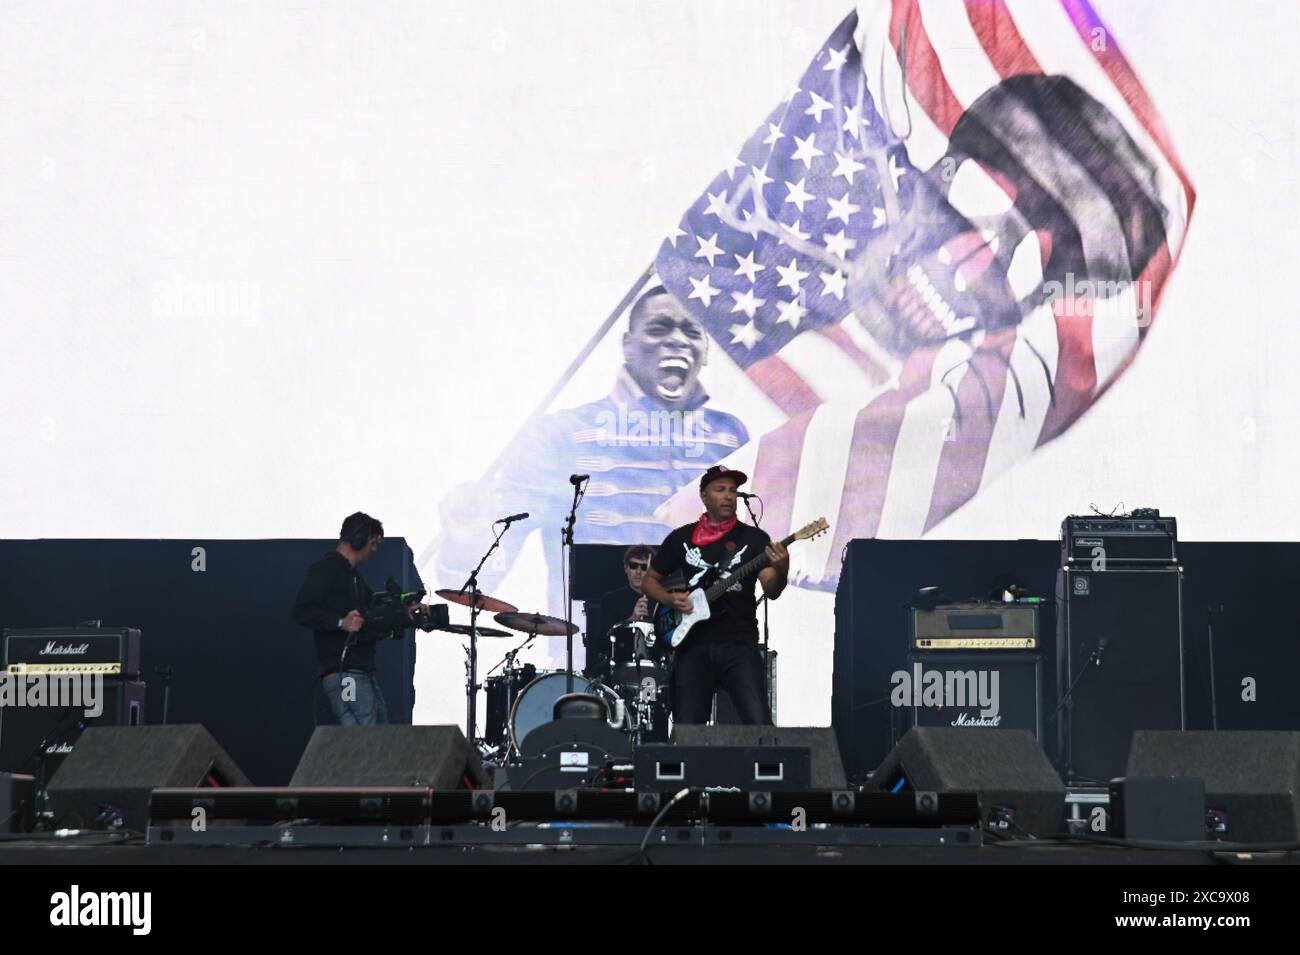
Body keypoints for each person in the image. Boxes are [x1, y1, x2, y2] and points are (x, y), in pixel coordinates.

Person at [432, 286, 750, 624]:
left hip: (707, 639)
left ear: (705, 350)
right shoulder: (561, 435)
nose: (677, 340)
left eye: (691, 331)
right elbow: (477, 579)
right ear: (627, 346)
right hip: (592, 653)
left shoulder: (730, 437)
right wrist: (466, 543)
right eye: (659, 328)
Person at [640, 465, 788, 725]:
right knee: (688, 730)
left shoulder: (753, 538)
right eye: (720, 490)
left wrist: (782, 568)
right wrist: (667, 599)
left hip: (739, 644)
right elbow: (650, 581)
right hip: (693, 645)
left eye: (733, 490)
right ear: (704, 497)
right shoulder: (681, 538)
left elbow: (771, 589)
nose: (729, 496)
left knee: (759, 725)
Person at [291, 512, 425, 725]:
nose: (374, 550)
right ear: (358, 538)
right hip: (345, 674)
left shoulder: (355, 578)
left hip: (360, 670)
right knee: (363, 739)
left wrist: (405, 614)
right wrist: (341, 622)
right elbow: (301, 610)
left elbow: (375, 616)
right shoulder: (326, 570)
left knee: (377, 732)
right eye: (373, 543)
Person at [587, 544, 660, 677]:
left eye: (644, 567)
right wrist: (632, 620)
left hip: (655, 668)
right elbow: (602, 643)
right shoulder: (611, 599)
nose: (638, 572)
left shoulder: (660, 600)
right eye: (633, 566)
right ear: (626, 568)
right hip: (620, 667)